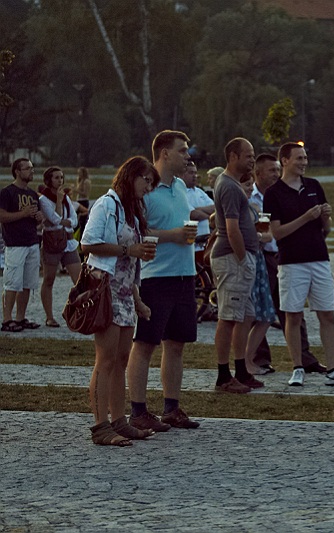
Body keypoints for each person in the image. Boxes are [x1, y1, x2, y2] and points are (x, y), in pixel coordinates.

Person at [263, 142, 334, 387]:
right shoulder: (274, 193)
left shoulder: (314, 186)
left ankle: (333, 369)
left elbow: (326, 229)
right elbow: (277, 233)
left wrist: (326, 217)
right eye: (299, 158)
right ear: (285, 160)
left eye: (305, 158)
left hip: (319, 259)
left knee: (327, 313)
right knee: (293, 316)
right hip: (291, 262)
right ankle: (298, 367)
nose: (304, 162)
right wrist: (306, 217)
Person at [81, 156, 159, 446]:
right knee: (105, 360)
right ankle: (100, 426)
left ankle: (118, 421)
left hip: (125, 294)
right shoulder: (107, 205)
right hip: (106, 291)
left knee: (121, 360)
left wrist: (138, 300)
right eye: (145, 180)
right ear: (130, 177)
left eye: (151, 183)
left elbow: (131, 264)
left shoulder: (131, 212)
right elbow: (87, 244)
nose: (148, 187)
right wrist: (129, 250)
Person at [127, 130, 200, 432]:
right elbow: (136, 232)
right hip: (155, 277)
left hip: (185, 275)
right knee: (145, 343)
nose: (187, 156)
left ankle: (171, 408)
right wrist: (173, 236)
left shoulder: (181, 185)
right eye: (182, 150)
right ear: (165, 153)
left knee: (176, 344)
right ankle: (138, 410)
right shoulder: (146, 189)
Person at [250, 153, 326, 375]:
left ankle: (305, 358)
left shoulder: (286, 193)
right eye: (271, 171)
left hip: (285, 256)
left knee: (293, 310)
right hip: (263, 257)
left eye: (277, 169)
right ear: (258, 173)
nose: (276, 174)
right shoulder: (251, 198)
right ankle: (260, 358)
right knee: (261, 310)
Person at [210, 138, 264, 394]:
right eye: (248, 155)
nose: (252, 159)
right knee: (228, 317)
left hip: (241, 259)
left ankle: (241, 370)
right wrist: (242, 259)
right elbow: (231, 229)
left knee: (246, 315)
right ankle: (223, 375)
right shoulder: (229, 186)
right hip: (232, 259)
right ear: (233, 156)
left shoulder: (232, 184)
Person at [237, 170, 278, 377]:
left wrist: (258, 236)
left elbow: (269, 235)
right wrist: (258, 236)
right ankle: (244, 361)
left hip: (259, 262)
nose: (249, 189)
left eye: (250, 185)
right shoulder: (234, 208)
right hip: (244, 261)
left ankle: (248, 357)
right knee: (248, 314)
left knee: (267, 315)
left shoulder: (254, 208)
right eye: (246, 185)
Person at [0, 158, 45, 332]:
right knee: (12, 283)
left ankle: (20, 317)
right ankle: (7, 319)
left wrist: (39, 219)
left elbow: (35, 222)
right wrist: (23, 213)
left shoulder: (33, 195)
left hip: (32, 242)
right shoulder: (7, 193)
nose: (31, 171)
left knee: (27, 283)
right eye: (27, 168)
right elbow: (2, 216)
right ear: (17, 171)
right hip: (15, 244)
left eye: (32, 168)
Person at [38, 166, 81, 327]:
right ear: (49, 180)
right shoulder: (44, 200)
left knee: (79, 279)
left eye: (61, 177)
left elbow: (74, 220)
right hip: (53, 242)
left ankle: (77, 312)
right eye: (56, 177)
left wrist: (65, 221)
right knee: (49, 279)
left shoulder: (65, 198)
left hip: (68, 242)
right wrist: (58, 200)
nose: (60, 180)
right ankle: (49, 317)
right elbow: (55, 219)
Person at [183, 160, 215, 260]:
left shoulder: (200, 192)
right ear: (183, 174)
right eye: (191, 173)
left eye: (195, 173)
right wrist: (210, 217)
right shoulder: (181, 193)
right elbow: (193, 214)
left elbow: (215, 208)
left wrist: (197, 209)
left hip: (206, 246)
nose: (194, 176)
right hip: (192, 247)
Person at [75, 166, 92, 236]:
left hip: (83, 201)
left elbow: (85, 194)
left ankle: (82, 235)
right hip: (79, 201)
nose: (79, 174)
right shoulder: (80, 180)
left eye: (80, 173)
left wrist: (76, 190)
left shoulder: (86, 181)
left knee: (82, 220)